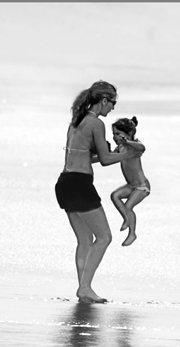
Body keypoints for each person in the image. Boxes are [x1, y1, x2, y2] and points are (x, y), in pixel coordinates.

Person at [54, 81, 142, 304]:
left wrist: (117, 153)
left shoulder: (76, 121)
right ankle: (84, 288)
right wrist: (128, 154)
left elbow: (87, 157)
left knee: (85, 240)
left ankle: (84, 288)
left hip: (65, 182)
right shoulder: (96, 123)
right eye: (112, 103)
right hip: (80, 184)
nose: (112, 108)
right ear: (103, 100)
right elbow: (104, 160)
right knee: (104, 237)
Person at [109, 116, 149, 247]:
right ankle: (127, 218)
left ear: (129, 134)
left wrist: (127, 142)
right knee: (115, 195)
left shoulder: (134, 146)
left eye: (118, 134)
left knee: (128, 206)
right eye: (113, 134)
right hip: (131, 186)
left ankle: (132, 233)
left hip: (141, 186)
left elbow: (142, 148)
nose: (115, 137)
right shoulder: (120, 148)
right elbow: (108, 158)